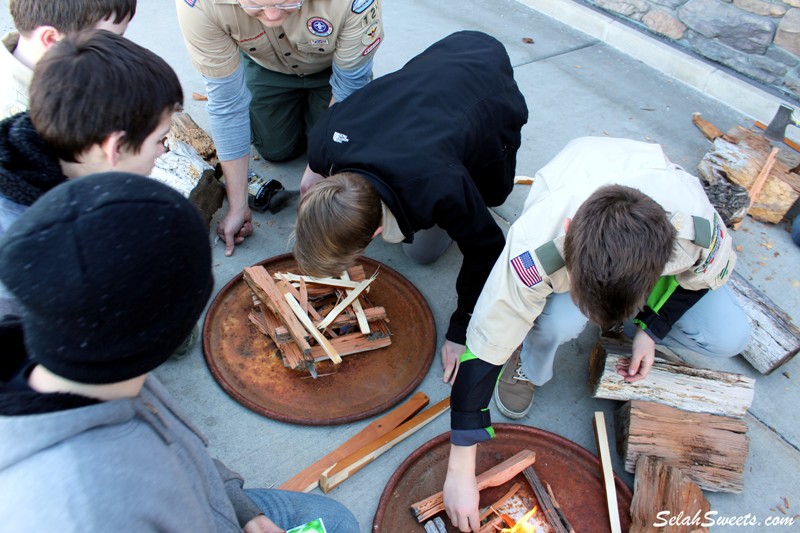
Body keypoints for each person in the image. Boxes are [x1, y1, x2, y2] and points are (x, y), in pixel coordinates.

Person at [0, 173, 359, 532]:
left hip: (207, 505)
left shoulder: (99, 364)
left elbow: (183, 455)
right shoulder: (85, 511)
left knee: (338, 521)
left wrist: (245, 513)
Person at [442, 136, 752, 532]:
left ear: (664, 259)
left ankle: (622, 312)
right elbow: (486, 339)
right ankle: (530, 353)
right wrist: (459, 466)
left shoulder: (696, 233)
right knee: (558, 322)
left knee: (729, 336)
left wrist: (650, 330)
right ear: (570, 231)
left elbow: (701, 280)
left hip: (653, 211)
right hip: (579, 173)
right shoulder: (538, 246)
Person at [294, 31, 529, 383]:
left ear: (376, 231)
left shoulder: (438, 184)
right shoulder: (326, 138)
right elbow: (310, 180)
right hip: (440, 58)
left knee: (423, 252)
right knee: (419, 246)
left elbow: (489, 248)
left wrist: (460, 330)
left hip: (484, 78)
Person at [176, 0, 384, 257]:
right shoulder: (198, 6)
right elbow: (227, 104)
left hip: (331, 68)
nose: (273, 15)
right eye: (255, 4)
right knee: (275, 149)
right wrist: (238, 205)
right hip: (266, 65)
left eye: (287, 1)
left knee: (342, 151)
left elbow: (349, 88)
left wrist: (317, 164)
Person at [0, 29, 181, 318]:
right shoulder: (27, 245)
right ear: (116, 147)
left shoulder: (56, 155)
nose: (163, 151)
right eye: (160, 140)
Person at [1, 0, 136, 119]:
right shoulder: (20, 116)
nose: (117, 49)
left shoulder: (75, 65)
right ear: (51, 39)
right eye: (107, 40)